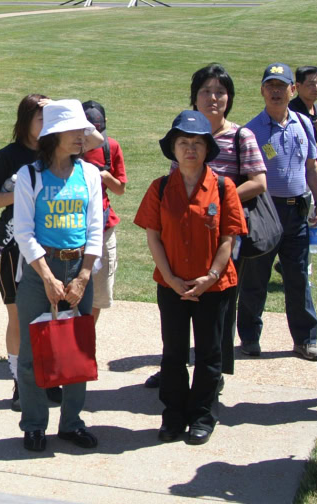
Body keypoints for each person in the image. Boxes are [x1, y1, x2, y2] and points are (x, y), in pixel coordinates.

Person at [147, 64, 268, 389]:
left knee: (217, 308)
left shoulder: (242, 135)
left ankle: (212, 375)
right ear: (194, 96)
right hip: (186, 232)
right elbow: (176, 183)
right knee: (178, 306)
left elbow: (259, 182)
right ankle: (174, 368)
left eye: (220, 92)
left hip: (225, 232)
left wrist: (216, 199)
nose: (213, 97)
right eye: (205, 91)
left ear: (229, 98)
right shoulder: (184, 133)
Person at [135, 111, 247, 446]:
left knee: (210, 354)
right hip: (172, 285)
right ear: (173, 147)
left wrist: (210, 277)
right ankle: (173, 416)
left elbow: (229, 239)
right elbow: (153, 235)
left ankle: (202, 416)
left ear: (207, 149)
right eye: (183, 142)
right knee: (173, 353)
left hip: (214, 286)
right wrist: (170, 278)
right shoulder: (161, 187)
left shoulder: (224, 187)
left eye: (197, 143)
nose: (190, 149)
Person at [12, 99, 103, 452]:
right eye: (75, 130)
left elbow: (95, 229)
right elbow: (24, 231)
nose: (83, 136)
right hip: (40, 272)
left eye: (83, 130)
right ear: (53, 135)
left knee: (76, 349)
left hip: (79, 267)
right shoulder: (29, 175)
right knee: (33, 352)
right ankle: (34, 425)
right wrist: (48, 277)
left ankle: (72, 423)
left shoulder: (90, 175)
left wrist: (82, 276)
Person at [237, 62, 317, 361]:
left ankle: (305, 339)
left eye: (281, 86)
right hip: (265, 211)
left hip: (298, 211)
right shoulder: (250, 131)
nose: (275, 92)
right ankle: (249, 337)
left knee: (298, 276)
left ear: (292, 89)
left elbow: (312, 167)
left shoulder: (303, 124)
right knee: (255, 276)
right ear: (262, 90)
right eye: (270, 86)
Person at [0, 94, 47, 411]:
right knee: (18, 316)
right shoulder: (9, 155)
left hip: (51, 244)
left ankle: (48, 378)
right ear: (25, 121)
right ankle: (21, 383)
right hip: (12, 246)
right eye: (41, 116)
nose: (48, 123)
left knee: (49, 315)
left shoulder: (58, 153)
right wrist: (20, 194)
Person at [80, 100, 127, 324]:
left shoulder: (112, 147)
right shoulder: (69, 148)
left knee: (99, 293)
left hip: (104, 228)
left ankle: (87, 338)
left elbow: (120, 189)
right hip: (74, 227)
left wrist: (105, 176)